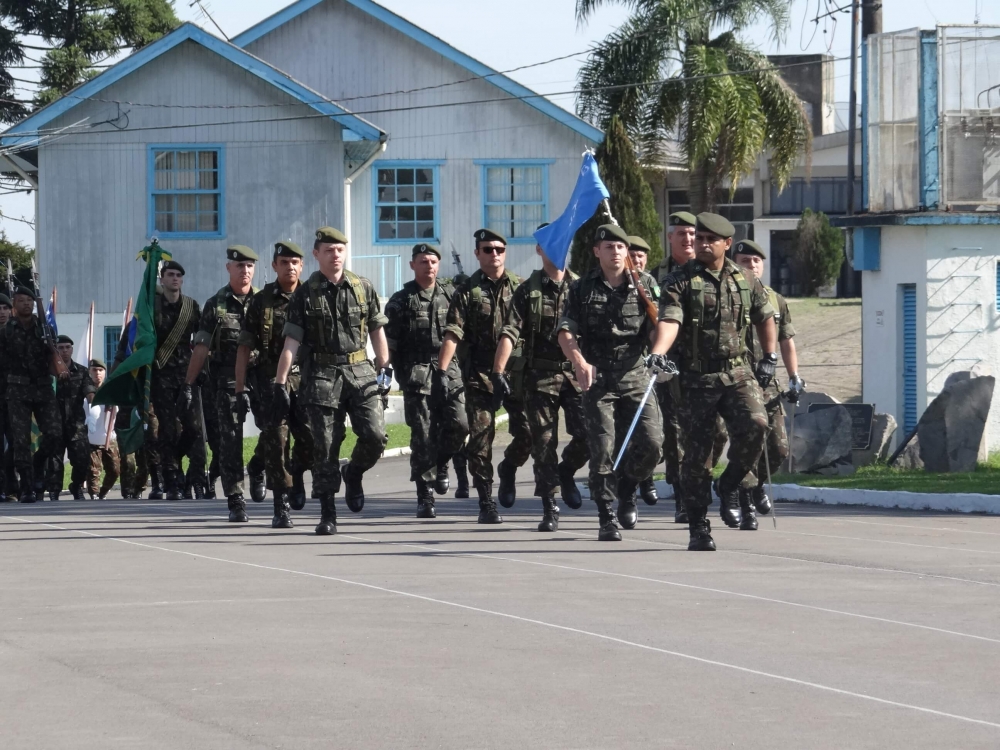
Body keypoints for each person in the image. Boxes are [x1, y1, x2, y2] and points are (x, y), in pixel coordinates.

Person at [651, 213, 777, 551]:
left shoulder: (747, 280)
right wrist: (658, 353)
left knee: (757, 424)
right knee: (698, 456)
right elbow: (670, 320)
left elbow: (767, 318)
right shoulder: (678, 281)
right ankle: (698, 526)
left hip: (738, 373)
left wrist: (769, 356)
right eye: (699, 238)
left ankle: (730, 484)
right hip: (696, 378)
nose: (702, 244)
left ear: (726, 244)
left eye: (710, 239)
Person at [272, 226, 390, 536]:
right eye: (328, 250)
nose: (335, 255)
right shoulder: (304, 294)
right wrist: (280, 382)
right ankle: (328, 511)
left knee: (375, 436)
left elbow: (377, 329)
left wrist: (384, 367)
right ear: (316, 254)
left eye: (339, 250)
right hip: (322, 376)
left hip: (361, 372)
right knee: (324, 447)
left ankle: (354, 473)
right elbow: (291, 343)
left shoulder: (362, 286)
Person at [557, 224, 663, 541]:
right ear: (597, 252)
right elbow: (565, 332)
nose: (616, 252)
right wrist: (579, 362)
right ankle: (606, 515)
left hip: (635, 374)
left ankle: (628, 486)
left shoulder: (644, 284)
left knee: (653, 445)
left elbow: (658, 326)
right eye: (609, 247)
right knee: (602, 448)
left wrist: (658, 352)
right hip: (598, 375)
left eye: (621, 247)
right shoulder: (580, 289)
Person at [493, 228, 587, 532]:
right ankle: (549, 505)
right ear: (539, 250)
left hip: (575, 374)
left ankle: (567, 471)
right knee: (543, 441)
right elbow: (510, 331)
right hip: (539, 375)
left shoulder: (582, 288)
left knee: (588, 434)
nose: (557, 250)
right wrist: (498, 370)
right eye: (551, 245)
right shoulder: (528, 290)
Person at [437, 229, 531, 524]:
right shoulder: (467, 292)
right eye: (487, 249)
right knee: (480, 439)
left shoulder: (522, 288)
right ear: (477, 254)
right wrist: (442, 371)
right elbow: (453, 331)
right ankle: (486, 500)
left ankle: (509, 468)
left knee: (529, 433)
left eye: (499, 249)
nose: (494, 254)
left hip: (516, 374)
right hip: (479, 375)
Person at [384, 242, 469, 519]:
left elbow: (462, 334)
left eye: (432, 261)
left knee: (460, 424)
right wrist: (389, 375)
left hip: (449, 369)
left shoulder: (452, 295)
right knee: (422, 434)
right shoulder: (401, 300)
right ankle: (425, 495)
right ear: (412, 265)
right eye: (422, 261)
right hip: (415, 372)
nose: (428, 266)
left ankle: (442, 462)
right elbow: (390, 344)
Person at [235, 240, 314, 529]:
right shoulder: (261, 301)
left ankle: (260, 466)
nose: (290, 267)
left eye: (295, 262)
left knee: (309, 438)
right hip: (270, 380)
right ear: (275, 266)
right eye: (284, 262)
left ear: (302, 265)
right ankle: (281, 506)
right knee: (278, 439)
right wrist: (240, 389)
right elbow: (244, 347)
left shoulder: (311, 296)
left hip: (305, 378)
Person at [183, 246, 263, 522]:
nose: (245, 271)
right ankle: (236, 498)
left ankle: (258, 465)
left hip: (261, 375)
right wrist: (189, 384)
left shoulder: (264, 302)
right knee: (230, 439)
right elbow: (201, 346)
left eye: (250, 266)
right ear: (229, 268)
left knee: (277, 428)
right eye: (239, 266)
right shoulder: (215, 305)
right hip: (227, 377)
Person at [114, 259, 201, 503]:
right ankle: (172, 480)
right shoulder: (151, 308)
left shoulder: (192, 307)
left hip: (186, 375)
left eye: (178, 275)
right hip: (160, 375)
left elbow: (204, 339)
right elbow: (133, 339)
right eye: (170, 274)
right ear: (161, 279)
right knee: (167, 429)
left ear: (182, 280)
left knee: (193, 429)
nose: (174, 278)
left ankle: (170, 461)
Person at [732, 239, 805, 519]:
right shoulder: (729, 296)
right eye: (744, 262)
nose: (750, 266)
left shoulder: (776, 299)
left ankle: (756, 483)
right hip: (736, 381)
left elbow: (787, 340)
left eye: (755, 262)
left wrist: (794, 376)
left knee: (778, 448)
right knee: (746, 439)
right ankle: (744, 494)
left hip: (767, 381)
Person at [0, 286, 63, 503]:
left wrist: (49, 345)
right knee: (20, 441)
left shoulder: (44, 328)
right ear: (14, 306)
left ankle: (38, 462)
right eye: (21, 300)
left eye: (30, 300)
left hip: (44, 388)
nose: (26, 303)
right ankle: (26, 487)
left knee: (55, 434)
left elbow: (54, 355)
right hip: (17, 390)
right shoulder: (6, 331)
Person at [624, 234, 661, 508]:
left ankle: (645, 476)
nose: (636, 260)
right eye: (632, 254)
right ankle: (631, 487)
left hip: (645, 367)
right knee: (625, 433)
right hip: (614, 371)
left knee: (651, 434)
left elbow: (656, 319)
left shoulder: (648, 283)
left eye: (641, 256)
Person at [42, 335, 96, 500]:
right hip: (53, 422)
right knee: (55, 460)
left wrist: (96, 399)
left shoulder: (80, 371)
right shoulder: (48, 370)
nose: (64, 351)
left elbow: (89, 392)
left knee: (82, 459)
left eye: (67, 347)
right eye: (61, 348)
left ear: (72, 349)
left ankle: (76, 485)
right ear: (55, 350)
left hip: (76, 423)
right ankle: (54, 490)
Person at [84, 359, 120, 499]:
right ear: (89, 372)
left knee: (115, 470)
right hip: (92, 438)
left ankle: (103, 492)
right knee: (93, 470)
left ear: (105, 372)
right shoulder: (86, 389)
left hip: (109, 437)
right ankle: (94, 494)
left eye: (100, 370)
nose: (97, 373)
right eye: (94, 370)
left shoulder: (111, 390)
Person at [0, 292, 15, 502]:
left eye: (5, 308)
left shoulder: (17, 333)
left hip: (15, 397)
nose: (1, 313)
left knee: (17, 443)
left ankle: (13, 486)